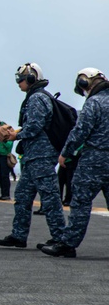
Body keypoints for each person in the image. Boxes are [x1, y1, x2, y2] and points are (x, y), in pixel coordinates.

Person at [0, 63, 66, 248]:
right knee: (23, 195)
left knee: (49, 198)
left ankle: (60, 238)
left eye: (21, 79)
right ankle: (19, 235)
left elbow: (35, 126)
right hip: (34, 156)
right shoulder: (36, 97)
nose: (19, 83)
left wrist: (15, 134)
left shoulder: (36, 99)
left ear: (32, 79)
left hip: (41, 155)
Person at [42, 68, 109, 258]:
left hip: (94, 160)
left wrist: (65, 153)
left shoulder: (93, 103)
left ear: (85, 83)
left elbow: (80, 131)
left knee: (80, 202)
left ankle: (68, 244)